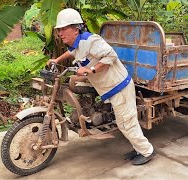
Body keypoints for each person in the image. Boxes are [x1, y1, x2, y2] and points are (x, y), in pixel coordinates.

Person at [47, 8, 155, 165]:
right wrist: (56, 60)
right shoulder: (76, 43)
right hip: (109, 88)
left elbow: (111, 55)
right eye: (59, 29)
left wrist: (91, 69)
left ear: (76, 29)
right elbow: (71, 53)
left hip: (119, 86)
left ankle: (147, 151)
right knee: (125, 123)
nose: (60, 33)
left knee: (126, 123)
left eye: (64, 29)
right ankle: (138, 148)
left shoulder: (91, 41)